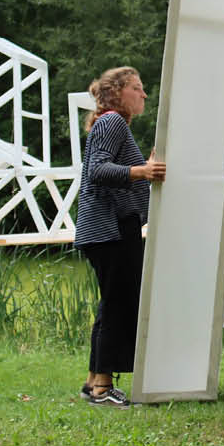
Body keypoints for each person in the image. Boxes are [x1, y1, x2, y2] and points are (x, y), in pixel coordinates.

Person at [74, 66, 166, 407]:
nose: (143, 94)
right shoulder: (112, 121)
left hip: (104, 227)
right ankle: (102, 386)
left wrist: (144, 168)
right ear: (118, 93)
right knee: (118, 304)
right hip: (109, 228)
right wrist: (142, 170)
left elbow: (111, 170)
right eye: (137, 88)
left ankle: (94, 379)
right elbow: (97, 169)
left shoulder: (111, 125)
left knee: (110, 303)